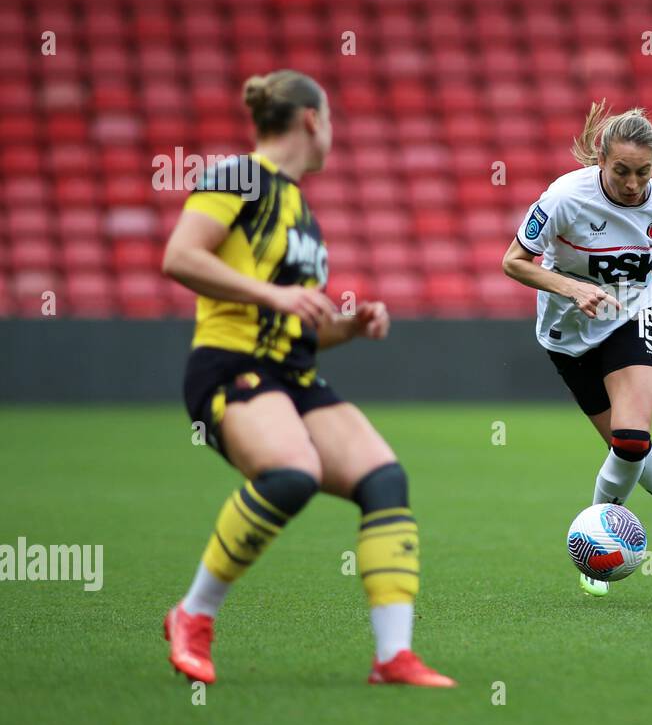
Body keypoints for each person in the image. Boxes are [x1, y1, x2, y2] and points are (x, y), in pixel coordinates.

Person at [160, 70, 454, 685]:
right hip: (231, 366)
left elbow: (296, 319)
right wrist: (275, 294)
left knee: (384, 478)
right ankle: (193, 614)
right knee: (293, 475)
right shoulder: (239, 176)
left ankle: (392, 656)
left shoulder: (297, 206)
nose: (333, 133)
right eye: (332, 121)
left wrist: (349, 325)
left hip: (291, 372)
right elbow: (180, 256)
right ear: (312, 120)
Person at [502, 100, 652, 596]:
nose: (634, 184)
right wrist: (571, 288)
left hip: (632, 318)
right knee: (627, 449)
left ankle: (593, 548)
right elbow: (513, 262)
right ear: (600, 159)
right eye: (622, 171)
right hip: (565, 336)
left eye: (644, 171)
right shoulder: (564, 199)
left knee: (631, 440)